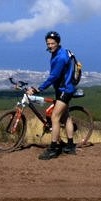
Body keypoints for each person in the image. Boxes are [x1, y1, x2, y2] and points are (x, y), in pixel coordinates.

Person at [27, 31, 76, 160]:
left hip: (65, 89)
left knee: (55, 117)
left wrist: (38, 89)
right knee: (66, 118)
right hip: (63, 88)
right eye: (48, 43)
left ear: (58, 43)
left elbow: (53, 77)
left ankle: (53, 149)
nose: (50, 46)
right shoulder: (60, 52)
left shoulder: (60, 57)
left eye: (52, 43)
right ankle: (70, 146)